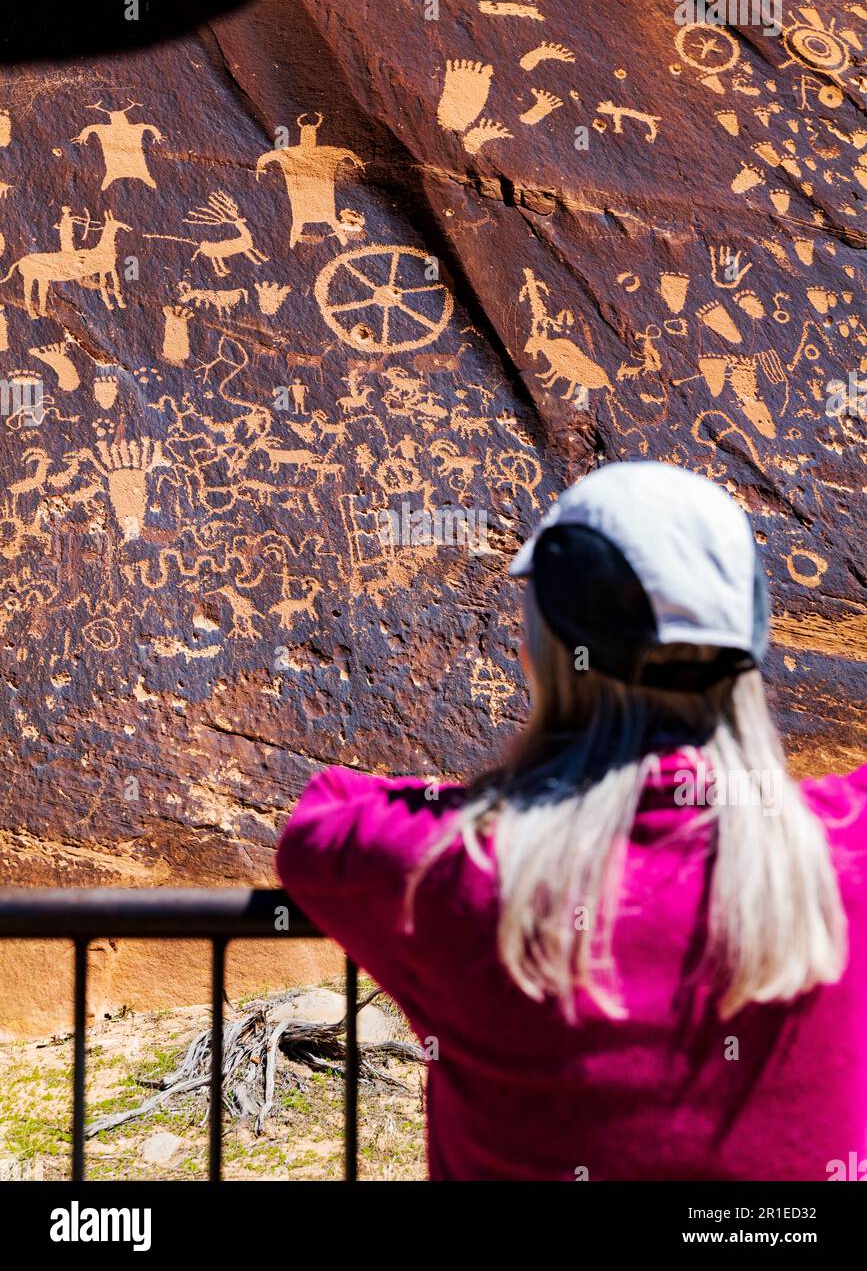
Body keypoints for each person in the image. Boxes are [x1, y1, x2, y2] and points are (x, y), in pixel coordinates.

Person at [276, 461, 866, 1181]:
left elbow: (325, 813)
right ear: (753, 645)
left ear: (537, 657)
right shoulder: (842, 845)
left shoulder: (457, 869)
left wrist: (508, 799)